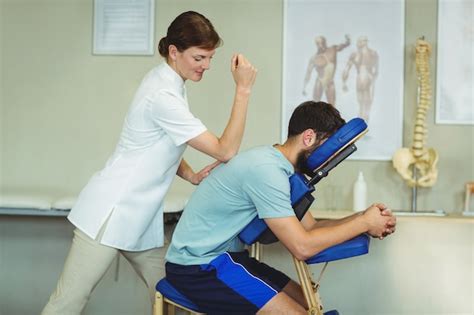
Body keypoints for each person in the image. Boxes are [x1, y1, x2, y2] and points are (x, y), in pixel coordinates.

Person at [42, 11, 257, 315]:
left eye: (209, 58)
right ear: (174, 52)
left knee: (176, 292)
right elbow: (225, 150)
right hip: (111, 211)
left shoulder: (168, 83)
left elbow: (162, 142)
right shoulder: (162, 96)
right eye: (199, 58)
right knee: (68, 301)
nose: (206, 66)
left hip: (139, 216)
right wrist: (244, 90)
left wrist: (191, 175)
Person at [165, 101, 397, 314]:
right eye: (327, 149)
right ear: (308, 137)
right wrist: (363, 222)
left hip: (230, 258)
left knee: (309, 304)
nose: (328, 161)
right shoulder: (267, 171)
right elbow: (302, 246)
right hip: (198, 267)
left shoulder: (281, 169)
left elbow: (311, 227)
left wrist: (364, 220)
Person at [302, 35, 351, 106]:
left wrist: (347, 41)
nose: (321, 45)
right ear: (316, 45)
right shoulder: (314, 58)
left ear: (325, 42)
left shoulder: (333, 49)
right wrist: (304, 87)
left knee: (332, 106)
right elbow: (308, 73)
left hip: (330, 82)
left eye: (322, 43)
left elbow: (343, 46)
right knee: (315, 105)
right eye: (318, 43)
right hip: (319, 81)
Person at [342, 36, 379, 122]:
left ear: (365, 42)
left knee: (364, 103)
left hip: (365, 77)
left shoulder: (372, 53)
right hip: (365, 77)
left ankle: (363, 122)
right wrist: (344, 82)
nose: (358, 44)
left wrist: (344, 82)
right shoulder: (357, 54)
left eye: (360, 41)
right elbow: (346, 69)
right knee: (364, 103)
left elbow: (376, 71)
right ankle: (363, 123)